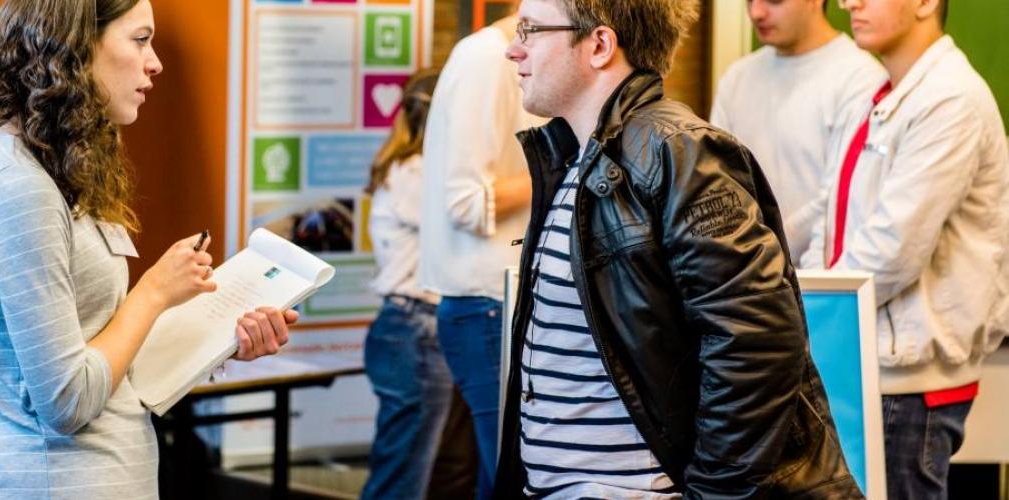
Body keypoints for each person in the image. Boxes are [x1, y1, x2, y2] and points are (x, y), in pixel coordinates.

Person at [496, 0, 861, 497]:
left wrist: (713, 493)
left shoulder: (680, 152)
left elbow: (757, 343)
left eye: (531, 29)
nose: (514, 50)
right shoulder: (575, 162)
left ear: (599, 46)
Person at [0, 0, 296, 497]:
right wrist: (153, 293)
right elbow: (66, 401)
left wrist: (218, 336)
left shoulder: (46, 163)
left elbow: (97, 347)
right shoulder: (16, 187)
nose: (156, 63)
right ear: (77, 44)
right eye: (140, 39)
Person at [800, 0, 1009, 497]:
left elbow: (891, 252)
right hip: (861, 362)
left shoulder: (951, 99)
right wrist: (801, 291)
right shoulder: (873, 96)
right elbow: (830, 219)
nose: (849, 3)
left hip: (909, 383)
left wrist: (807, 309)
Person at [417, 8, 543, 497]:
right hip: (487, 302)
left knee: (499, 478)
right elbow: (467, 202)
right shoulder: (487, 60)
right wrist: (569, 160)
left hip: (497, 301)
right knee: (514, 478)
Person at [710, 0, 884, 258]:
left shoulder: (860, 79)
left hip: (820, 278)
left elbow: (838, 199)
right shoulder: (737, 78)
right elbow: (715, 179)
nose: (757, 12)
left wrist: (763, 249)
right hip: (743, 275)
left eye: (774, 1)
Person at [359, 69, 447, 500]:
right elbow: (467, 221)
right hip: (413, 331)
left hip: (409, 331)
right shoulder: (417, 172)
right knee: (401, 478)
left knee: (405, 467)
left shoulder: (407, 167)